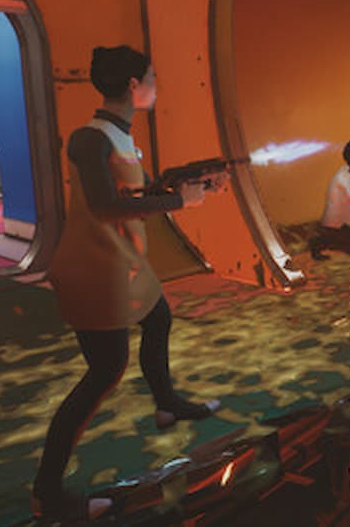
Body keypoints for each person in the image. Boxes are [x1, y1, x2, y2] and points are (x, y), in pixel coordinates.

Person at [33, 46, 225, 521]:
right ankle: (48, 494)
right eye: (152, 77)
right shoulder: (90, 138)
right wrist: (179, 201)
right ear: (133, 85)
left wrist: (192, 185)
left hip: (124, 264)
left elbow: (135, 193)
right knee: (103, 374)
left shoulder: (119, 135)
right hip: (95, 269)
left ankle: (167, 406)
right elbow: (104, 207)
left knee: (158, 319)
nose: (157, 85)